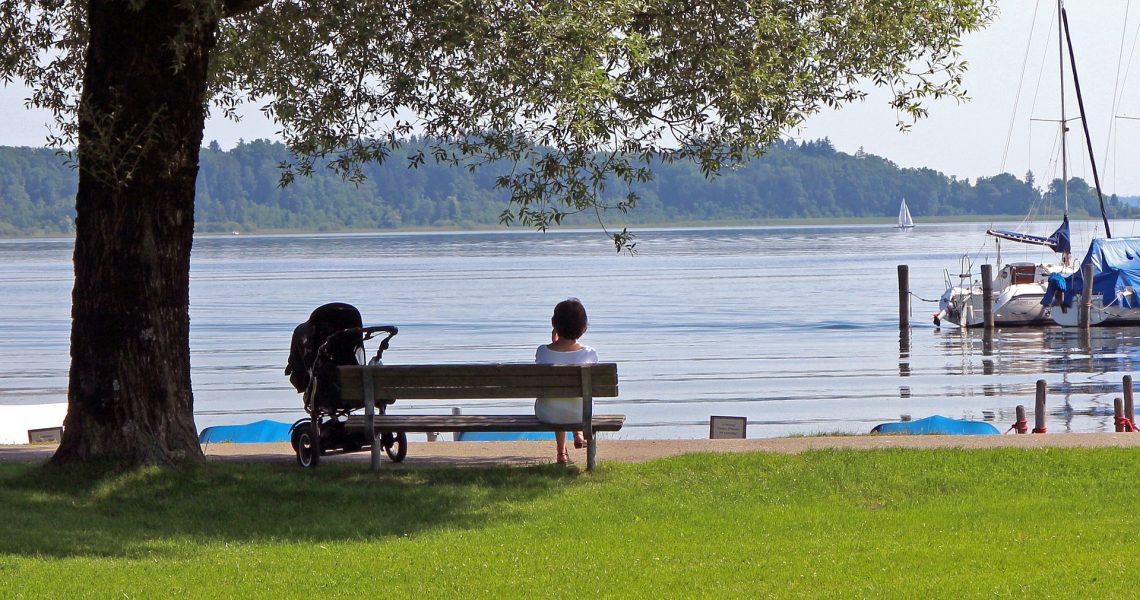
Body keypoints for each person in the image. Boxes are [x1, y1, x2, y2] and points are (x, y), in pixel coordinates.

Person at [535, 298, 598, 464]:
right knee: (575, 397)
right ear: (583, 327)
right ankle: (578, 435)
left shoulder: (542, 352)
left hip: (547, 413)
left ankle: (561, 453)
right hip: (582, 414)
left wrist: (555, 343)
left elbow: (556, 354)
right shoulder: (590, 354)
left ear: (555, 325)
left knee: (555, 398)